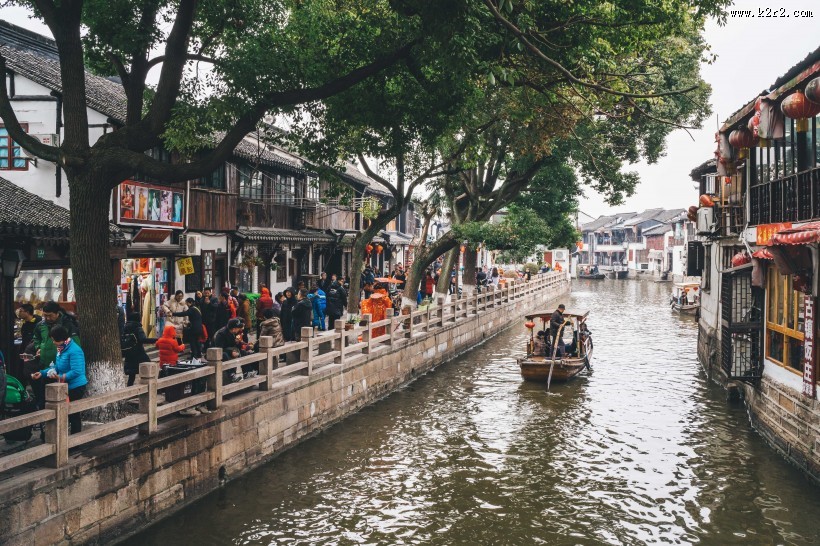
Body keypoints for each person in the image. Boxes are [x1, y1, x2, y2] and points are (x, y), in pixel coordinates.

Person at [33, 325, 87, 434]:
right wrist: (42, 373)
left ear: (61, 338)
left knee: (73, 414)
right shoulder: (61, 349)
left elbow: (77, 371)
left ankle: (75, 442)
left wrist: (61, 377)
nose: (53, 342)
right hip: (64, 385)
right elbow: (57, 367)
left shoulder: (74, 350)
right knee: (64, 413)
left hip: (76, 387)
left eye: (53, 340)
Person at [122, 312, 150, 386]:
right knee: (148, 369)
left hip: (129, 354)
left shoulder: (125, 327)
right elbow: (143, 339)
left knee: (132, 375)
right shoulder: (138, 328)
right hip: (139, 354)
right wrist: (156, 340)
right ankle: (147, 387)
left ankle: (129, 391)